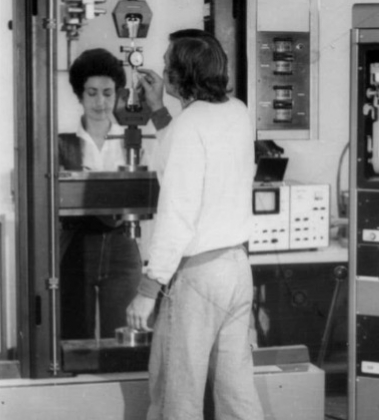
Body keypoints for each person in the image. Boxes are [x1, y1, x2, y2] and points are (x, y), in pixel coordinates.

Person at [126, 29, 264, 420]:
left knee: (176, 396)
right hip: (235, 270)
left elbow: (178, 214)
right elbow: (188, 148)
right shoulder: (236, 111)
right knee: (237, 396)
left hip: (198, 277)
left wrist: (148, 289)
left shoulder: (190, 126)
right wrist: (158, 108)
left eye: (169, 62)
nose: (164, 68)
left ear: (178, 76)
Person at [59, 48, 170, 339]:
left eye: (108, 93)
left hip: (123, 245)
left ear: (118, 94)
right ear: (79, 95)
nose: (100, 102)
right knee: (73, 335)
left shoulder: (134, 139)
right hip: (75, 247)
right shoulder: (62, 142)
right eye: (92, 93)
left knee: (125, 336)